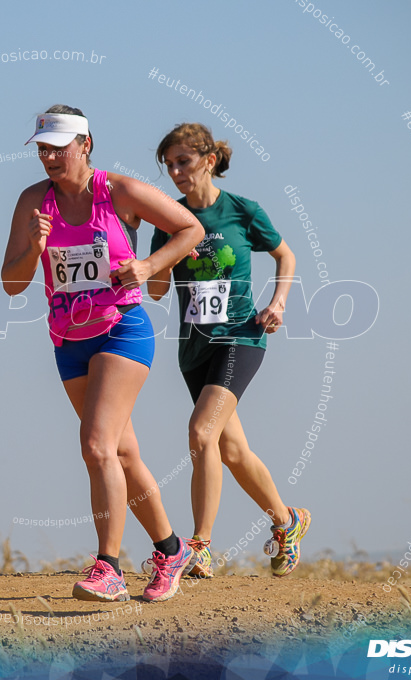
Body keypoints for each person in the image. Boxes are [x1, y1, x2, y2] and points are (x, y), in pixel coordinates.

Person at [1, 105, 204, 602]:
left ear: (85, 144)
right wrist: (33, 247)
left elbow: (190, 229)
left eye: (59, 147)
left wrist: (148, 264)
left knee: (96, 445)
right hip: (68, 340)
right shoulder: (33, 201)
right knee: (122, 453)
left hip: (121, 330)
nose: (49, 156)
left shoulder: (118, 192)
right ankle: (172, 550)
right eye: (43, 148)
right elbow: (11, 284)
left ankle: (107, 566)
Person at [148, 122, 310, 578]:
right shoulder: (170, 219)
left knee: (201, 433)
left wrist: (278, 302)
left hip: (240, 335)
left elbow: (286, 255)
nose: (176, 172)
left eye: (184, 161)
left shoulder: (242, 211)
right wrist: (173, 249)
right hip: (194, 347)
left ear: (209, 161)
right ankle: (287, 521)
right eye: (170, 165)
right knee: (232, 450)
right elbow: (158, 291)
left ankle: (198, 546)